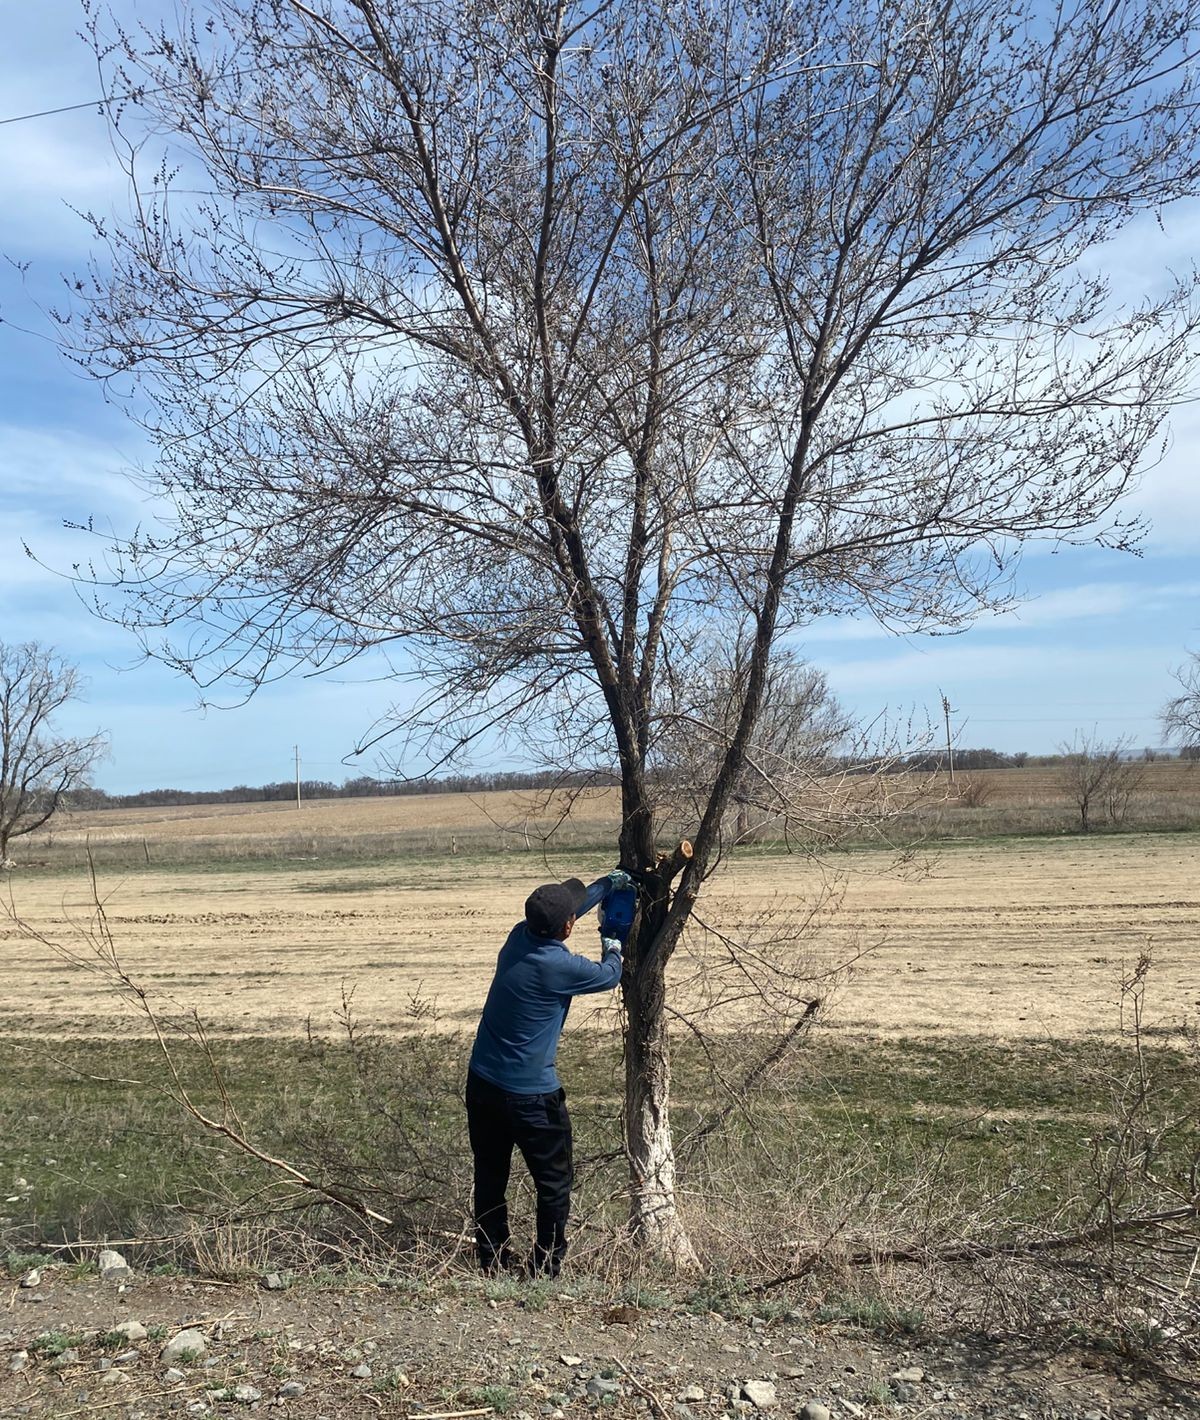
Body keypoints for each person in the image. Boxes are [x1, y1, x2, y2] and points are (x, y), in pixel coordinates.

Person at [465, 870, 632, 1278]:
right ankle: (544, 1267)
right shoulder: (559, 966)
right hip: (531, 1098)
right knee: (554, 1183)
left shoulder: (517, 937)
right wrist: (613, 941)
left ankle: (492, 1260)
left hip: (483, 1083)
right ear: (568, 928)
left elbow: (569, 910)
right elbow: (610, 975)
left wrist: (607, 885)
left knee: (490, 1174)